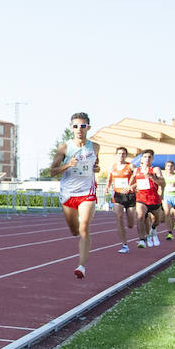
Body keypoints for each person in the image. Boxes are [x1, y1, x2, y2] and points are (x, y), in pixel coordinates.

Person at [47, 111, 98, 279]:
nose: (79, 129)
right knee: (75, 230)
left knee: (84, 227)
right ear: (71, 128)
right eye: (76, 126)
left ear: (88, 127)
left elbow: (95, 165)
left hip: (87, 192)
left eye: (82, 126)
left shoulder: (95, 146)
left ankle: (81, 266)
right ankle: (77, 234)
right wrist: (68, 164)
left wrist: (96, 168)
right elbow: (52, 172)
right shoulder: (65, 147)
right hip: (68, 193)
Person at [133, 149, 164, 249]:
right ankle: (142, 239)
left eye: (149, 157)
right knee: (140, 217)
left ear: (152, 159)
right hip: (141, 198)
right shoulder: (137, 170)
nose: (147, 159)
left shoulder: (156, 170)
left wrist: (152, 177)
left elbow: (163, 183)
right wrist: (130, 187)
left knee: (157, 220)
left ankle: (153, 230)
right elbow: (133, 181)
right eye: (145, 157)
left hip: (154, 198)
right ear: (141, 159)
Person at [108, 147, 137, 253]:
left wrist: (131, 186)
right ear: (116, 155)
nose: (121, 155)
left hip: (130, 196)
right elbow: (110, 178)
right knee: (119, 218)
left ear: (126, 155)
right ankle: (124, 245)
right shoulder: (112, 166)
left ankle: (132, 225)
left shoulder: (131, 166)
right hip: (118, 195)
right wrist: (107, 187)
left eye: (123, 153)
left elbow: (140, 178)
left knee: (130, 224)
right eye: (119, 153)